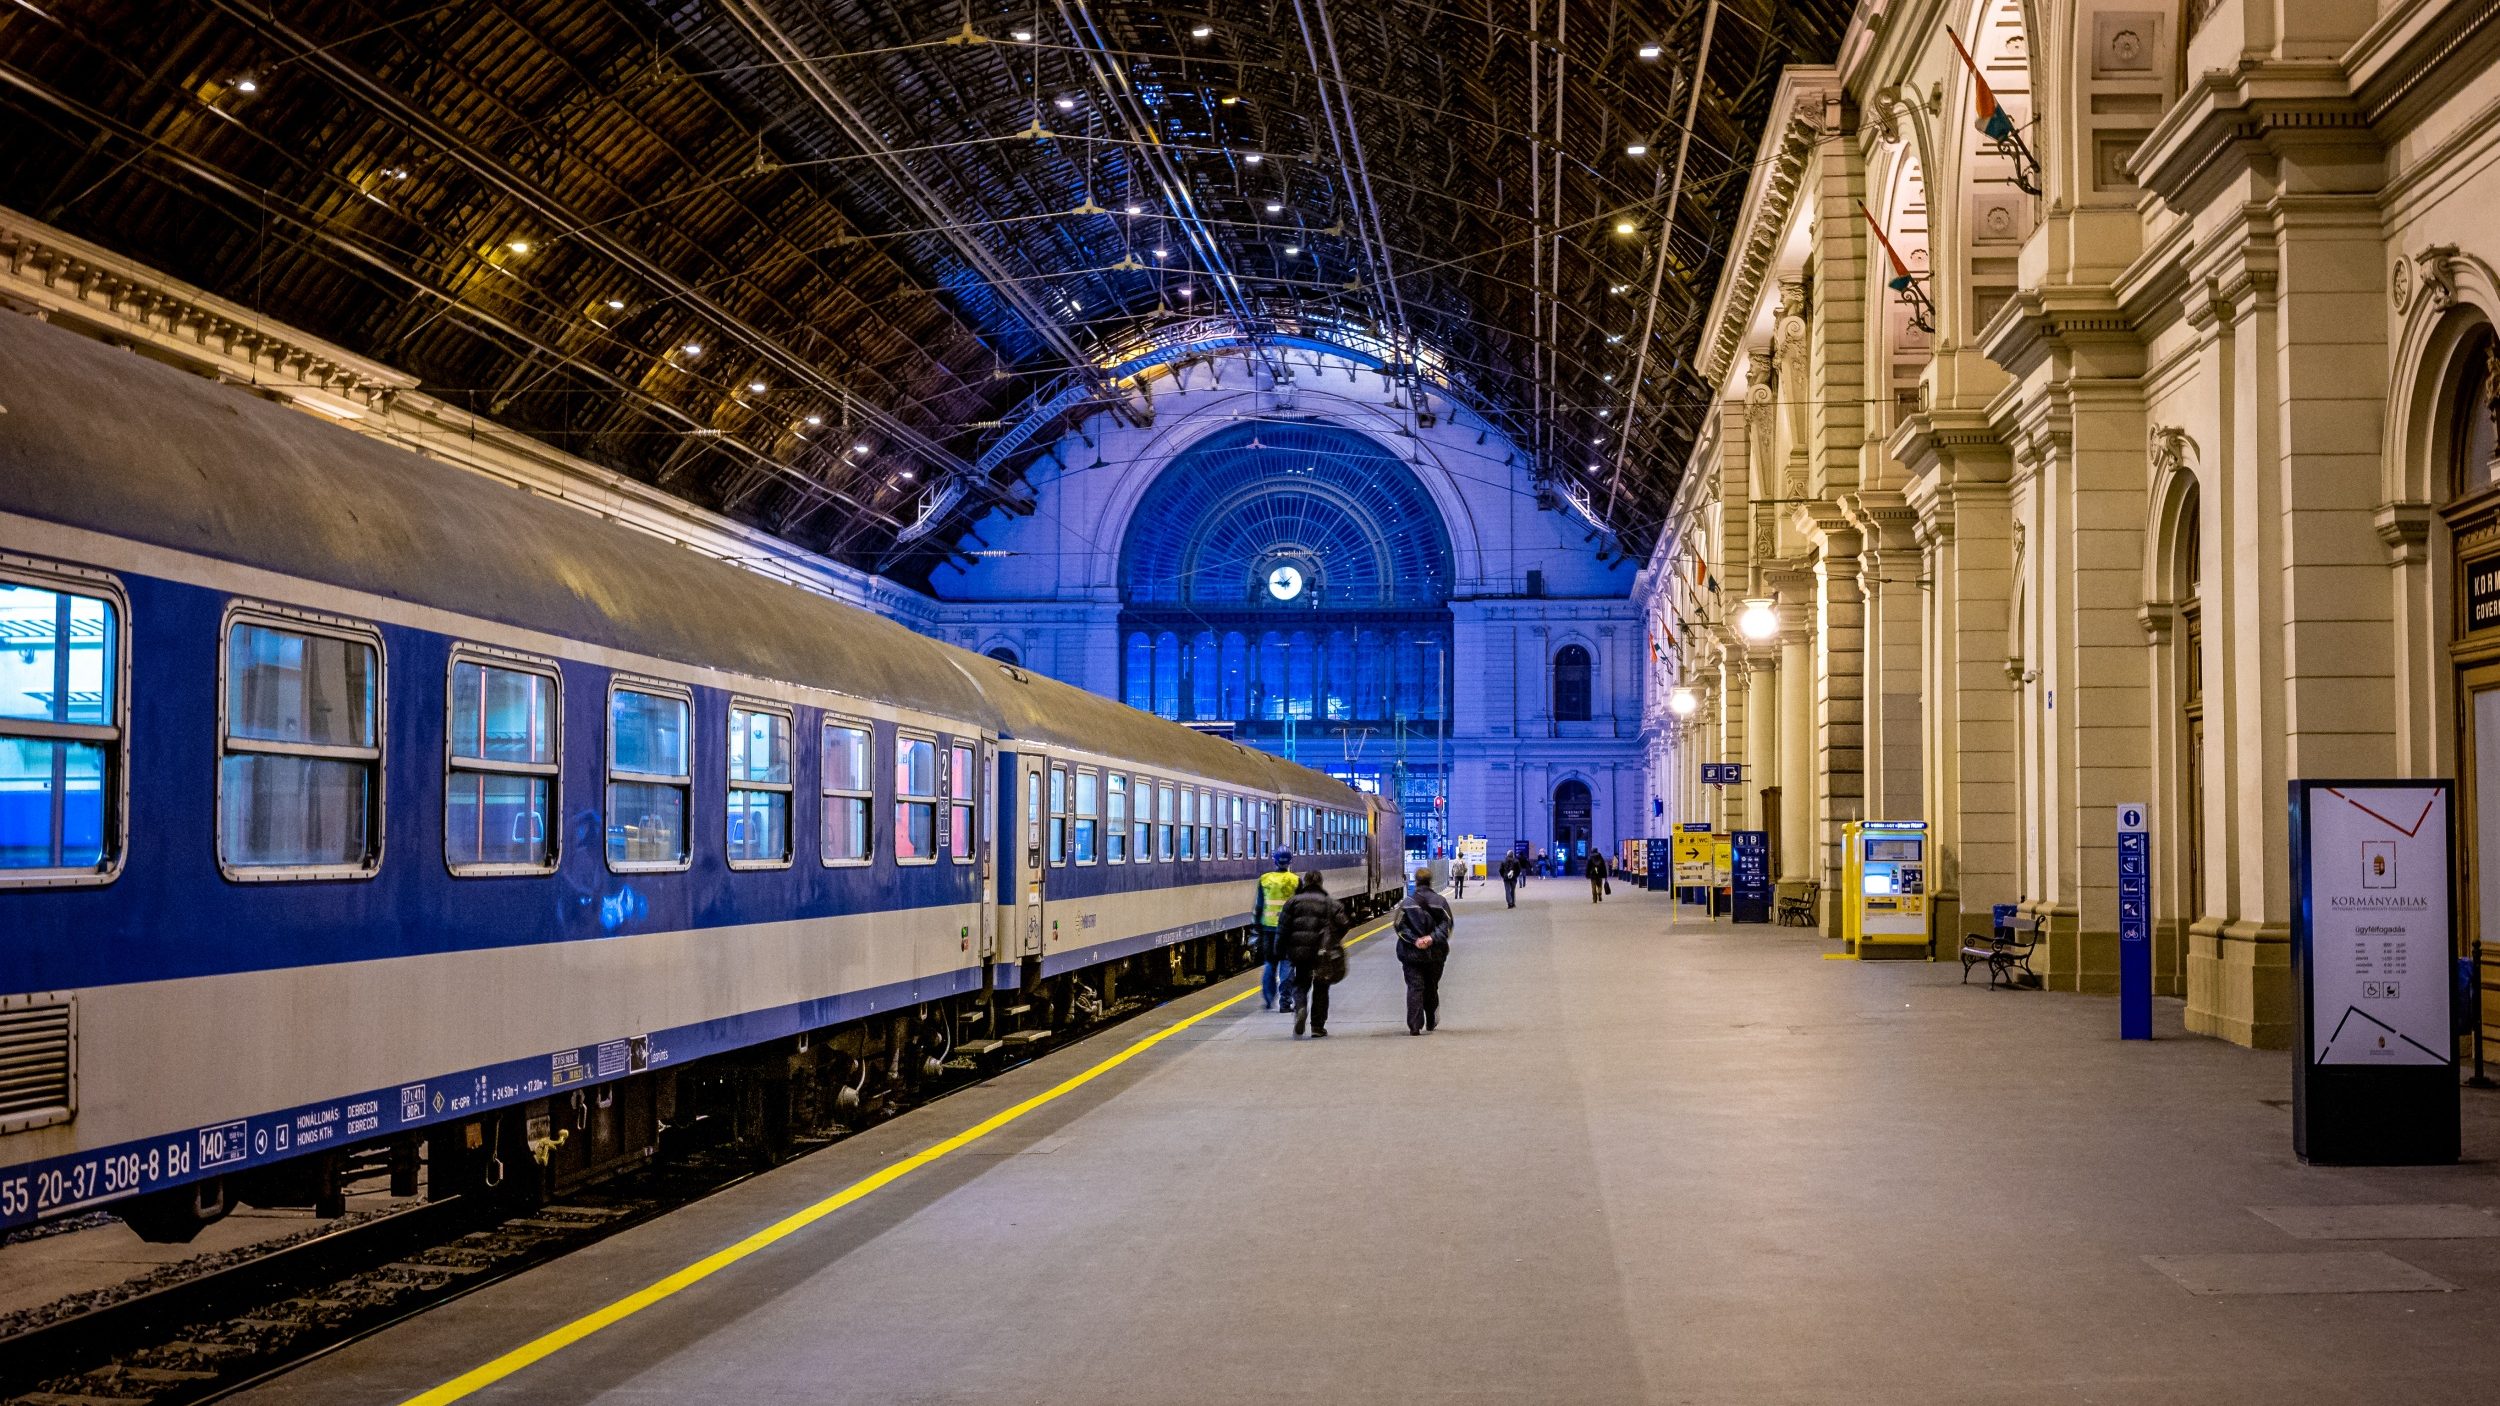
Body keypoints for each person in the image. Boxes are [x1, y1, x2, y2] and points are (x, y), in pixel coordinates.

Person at [1277, 870, 1348, 1038]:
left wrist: (1280, 950)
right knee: (1321, 988)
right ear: (1321, 883)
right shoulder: (1330, 903)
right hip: (1322, 953)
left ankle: (1300, 1008)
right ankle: (1317, 1027)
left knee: (1301, 983)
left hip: (1300, 953)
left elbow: (1282, 928)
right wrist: (1333, 940)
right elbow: (1344, 923)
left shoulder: (1292, 902)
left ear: (1305, 883)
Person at [1395, 867, 1454, 1035]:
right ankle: (1431, 1019)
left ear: (1416, 881)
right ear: (1430, 881)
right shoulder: (1441, 902)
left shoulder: (1406, 903)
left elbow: (1399, 926)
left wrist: (1415, 940)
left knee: (1415, 987)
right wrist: (1432, 938)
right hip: (1436, 954)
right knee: (1431, 986)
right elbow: (1447, 925)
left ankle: (1415, 1026)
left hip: (1411, 955)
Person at [1254, 850, 1302, 1011]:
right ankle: (1285, 1002)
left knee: (1270, 963)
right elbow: (1299, 906)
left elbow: (1259, 906)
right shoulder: (1295, 881)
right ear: (1290, 862)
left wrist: (1257, 925)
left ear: (1274, 862)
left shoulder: (1265, 879)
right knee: (1287, 964)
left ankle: (1268, 999)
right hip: (1289, 929)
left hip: (1268, 928)